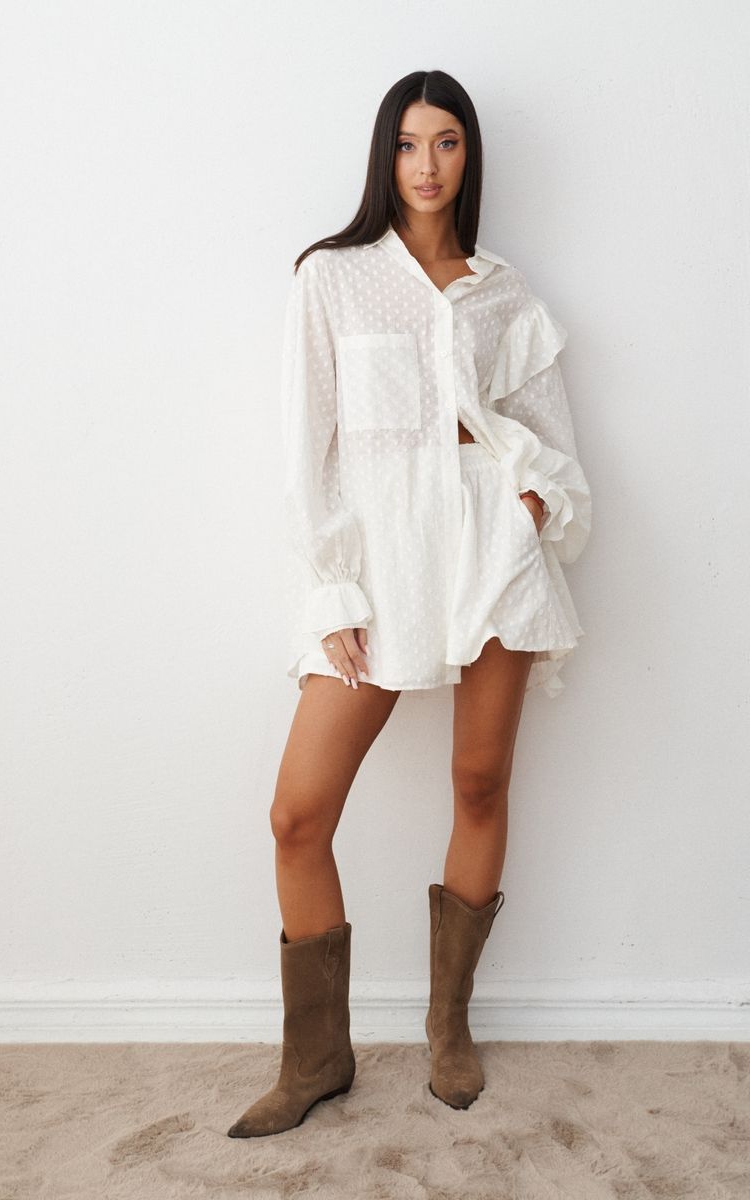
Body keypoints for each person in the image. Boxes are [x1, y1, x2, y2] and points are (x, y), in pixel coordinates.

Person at [227, 68, 591, 1139]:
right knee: (297, 814)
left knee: (478, 783)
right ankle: (315, 1060)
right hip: (379, 566)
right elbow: (308, 455)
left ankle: (448, 1027)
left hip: (491, 556)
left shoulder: (503, 294)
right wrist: (332, 586)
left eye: (446, 142)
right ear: (382, 155)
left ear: (468, 155)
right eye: (406, 143)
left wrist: (527, 506)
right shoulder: (332, 278)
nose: (426, 165)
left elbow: (554, 443)